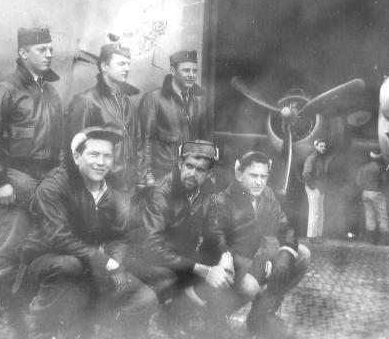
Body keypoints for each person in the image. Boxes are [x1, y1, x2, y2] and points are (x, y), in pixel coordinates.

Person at [19, 127, 158, 339]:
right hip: (44, 265)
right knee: (67, 265)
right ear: (77, 157)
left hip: (91, 266)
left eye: (107, 156)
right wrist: (105, 262)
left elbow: (120, 235)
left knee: (145, 297)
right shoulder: (54, 185)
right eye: (94, 154)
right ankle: (42, 331)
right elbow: (59, 238)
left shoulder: (115, 190)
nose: (101, 162)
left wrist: (116, 266)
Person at [0, 27, 63, 338]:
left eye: (50, 48)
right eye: (41, 49)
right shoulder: (6, 88)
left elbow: (60, 145)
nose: (49, 54)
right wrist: (1, 180)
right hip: (15, 179)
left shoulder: (51, 93)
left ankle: (25, 315)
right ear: (23, 53)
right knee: (10, 252)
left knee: (38, 251)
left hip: (45, 183)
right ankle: (7, 319)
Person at [126, 140, 231, 338]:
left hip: (179, 256)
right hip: (144, 260)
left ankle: (183, 312)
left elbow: (214, 229)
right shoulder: (161, 193)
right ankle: (147, 320)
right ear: (180, 164)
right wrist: (203, 270)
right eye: (189, 166)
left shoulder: (207, 191)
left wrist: (226, 255)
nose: (192, 173)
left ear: (209, 174)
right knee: (168, 278)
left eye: (200, 170)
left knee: (228, 267)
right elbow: (151, 248)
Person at [201, 151, 311, 339]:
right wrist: (262, 264)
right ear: (239, 174)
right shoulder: (221, 201)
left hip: (255, 260)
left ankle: (261, 316)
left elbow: (286, 228)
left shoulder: (267, 194)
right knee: (251, 286)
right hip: (228, 268)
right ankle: (214, 317)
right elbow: (219, 246)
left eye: (263, 176)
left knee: (301, 254)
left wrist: (285, 254)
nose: (259, 182)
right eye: (253, 175)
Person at [67, 40, 142, 192]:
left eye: (128, 64)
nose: (127, 68)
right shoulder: (86, 101)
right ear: (104, 67)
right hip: (101, 188)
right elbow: (74, 153)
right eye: (121, 64)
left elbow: (138, 144)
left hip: (129, 188)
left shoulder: (129, 104)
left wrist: (139, 178)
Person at [138, 50, 212, 185]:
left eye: (195, 71)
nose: (192, 75)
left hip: (189, 175)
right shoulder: (154, 99)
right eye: (186, 70)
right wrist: (147, 177)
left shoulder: (199, 100)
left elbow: (205, 141)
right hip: (162, 175)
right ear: (172, 70)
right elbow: (145, 142)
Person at [356, 150, 389, 245]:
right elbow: (384, 181)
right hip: (377, 192)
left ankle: (370, 238)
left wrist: (364, 188)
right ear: (379, 157)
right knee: (382, 215)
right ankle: (383, 239)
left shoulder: (363, 167)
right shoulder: (381, 168)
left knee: (369, 215)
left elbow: (358, 181)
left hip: (365, 193)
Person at [302, 138, 329, 242]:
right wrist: (313, 186)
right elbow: (306, 174)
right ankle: (312, 236)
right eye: (321, 146)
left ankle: (318, 235)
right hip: (314, 187)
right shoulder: (311, 158)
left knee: (320, 213)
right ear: (316, 146)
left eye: (324, 146)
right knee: (315, 212)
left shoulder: (321, 159)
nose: (323, 148)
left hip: (320, 188)